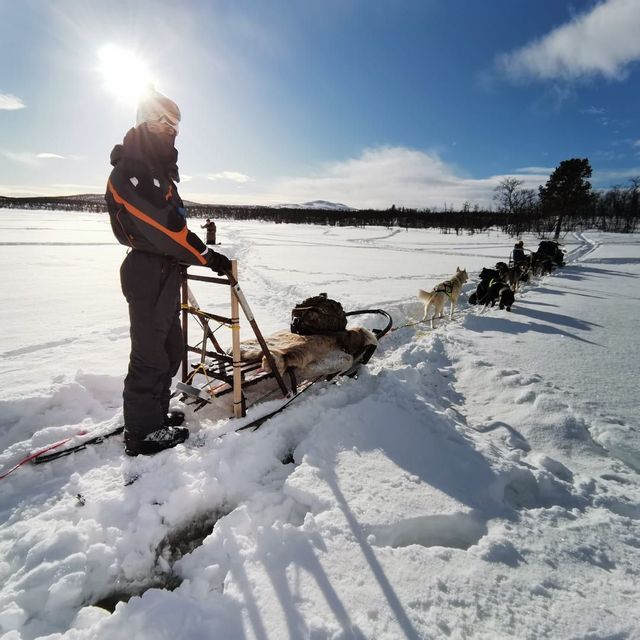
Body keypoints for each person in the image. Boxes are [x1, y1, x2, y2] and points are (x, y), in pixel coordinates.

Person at [105, 88, 231, 456]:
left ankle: (156, 415)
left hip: (164, 271)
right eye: (163, 121)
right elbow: (164, 229)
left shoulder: (156, 172)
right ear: (146, 121)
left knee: (170, 349)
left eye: (175, 124)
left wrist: (198, 254)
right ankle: (143, 434)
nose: (170, 129)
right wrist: (206, 255)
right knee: (149, 355)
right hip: (147, 270)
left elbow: (171, 224)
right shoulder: (132, 170)